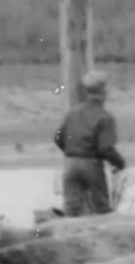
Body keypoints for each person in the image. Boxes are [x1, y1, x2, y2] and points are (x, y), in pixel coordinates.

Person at [54, 71, 125, 216]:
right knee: (102, 207)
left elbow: (58, 138)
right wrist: (119, 163)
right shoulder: (105, 117)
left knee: (71, 209)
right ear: (104, 92)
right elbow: (105, 148)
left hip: (71, 164)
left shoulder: (72, 113)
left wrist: (72, 151)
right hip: (91, 165)